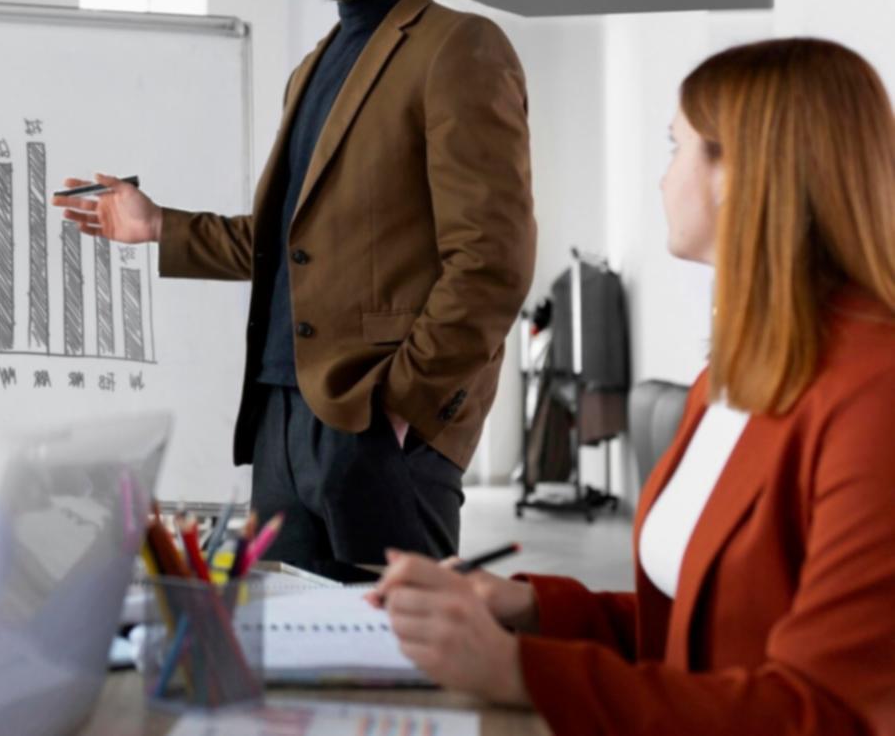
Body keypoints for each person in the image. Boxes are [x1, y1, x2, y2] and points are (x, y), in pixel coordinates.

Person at [56, 0, 535, 578]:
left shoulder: (459, 47)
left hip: (375, 428)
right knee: (284, 662)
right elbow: (289, 243)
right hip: (280, 417)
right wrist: (156, 227)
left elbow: (492, 260)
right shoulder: (313, 67)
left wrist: (402, 407)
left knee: (391, 667)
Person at [373, 38, 895, 734]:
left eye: (674, 147)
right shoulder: (733, 375)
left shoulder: (874, 397)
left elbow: (825, 713)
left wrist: (517, 671)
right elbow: (697, 633)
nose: (662, 179)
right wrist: (530, 611)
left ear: (740, 172)